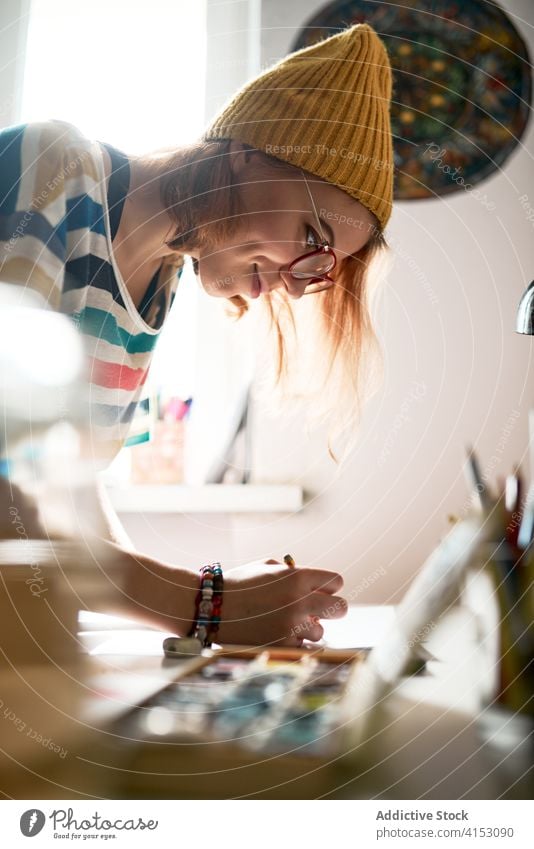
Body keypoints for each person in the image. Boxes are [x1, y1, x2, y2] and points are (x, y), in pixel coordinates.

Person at [0, 23, 393, 646]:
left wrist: (210, 606)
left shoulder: (160, 280)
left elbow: (64, 490)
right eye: (313, 236)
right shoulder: (54, 166)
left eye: (320, 271)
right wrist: (206, 603)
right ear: (246, 150)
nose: (295, 286)